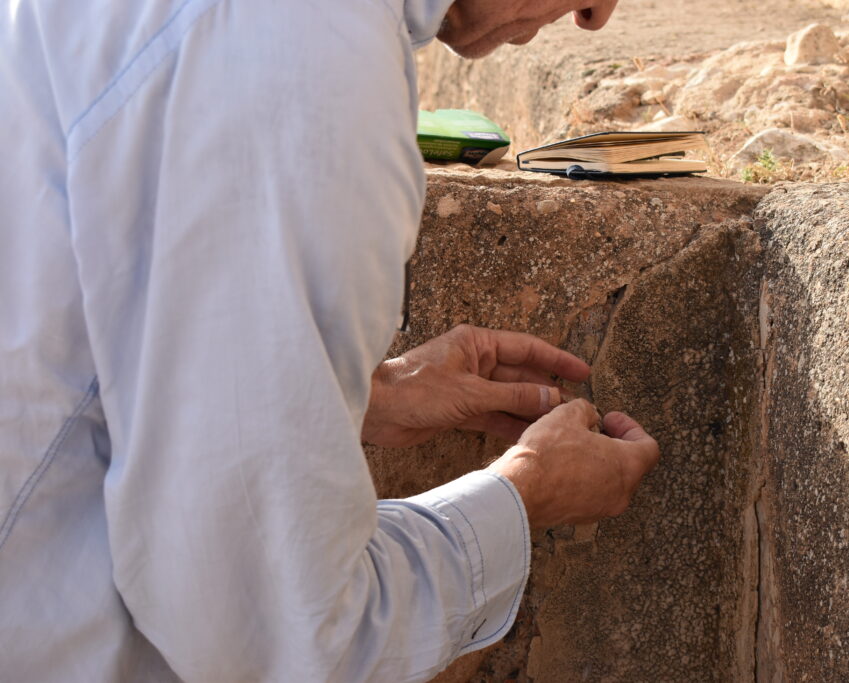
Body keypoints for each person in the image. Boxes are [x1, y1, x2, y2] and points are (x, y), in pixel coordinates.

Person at [0, 0, 658, 680]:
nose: (597, 13)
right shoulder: (310, 55)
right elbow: (275, 631)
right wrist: (520, 499)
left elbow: (79, 333)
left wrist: (353, 398)